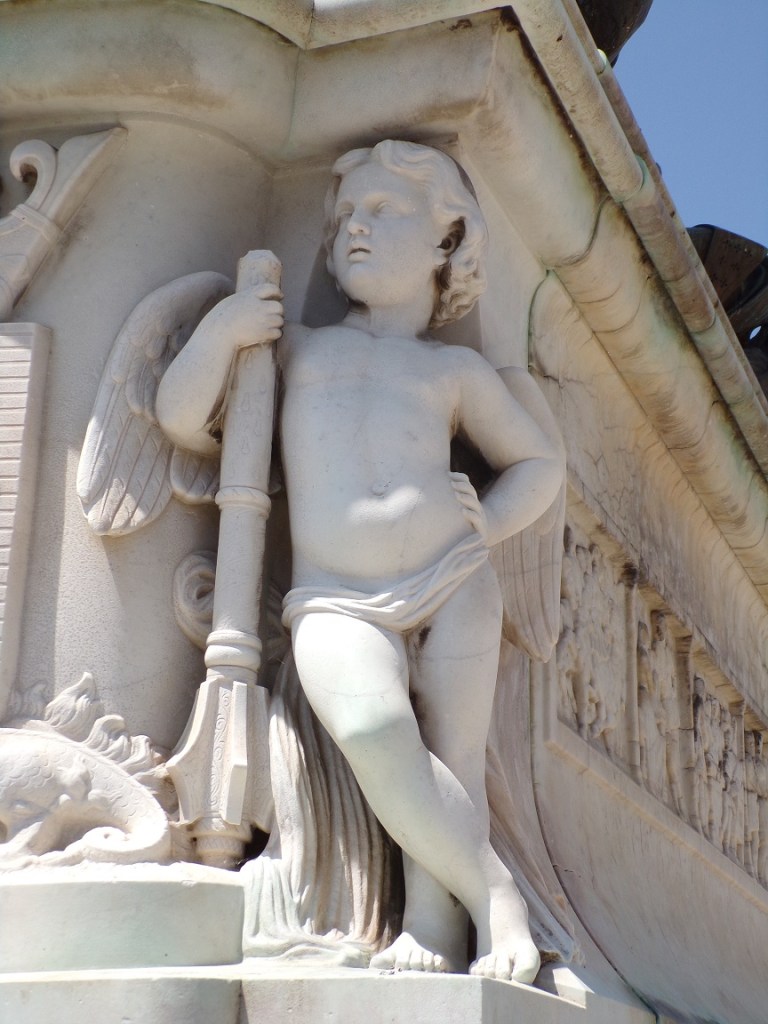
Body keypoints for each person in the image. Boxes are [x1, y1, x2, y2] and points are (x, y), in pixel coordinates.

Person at [157, 140, 562, 983]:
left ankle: (431, 919)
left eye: (382, 213)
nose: (354, 230)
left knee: (450, 757)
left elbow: (540, 464)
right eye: (345, 217)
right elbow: (184, 417)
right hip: (334, 596)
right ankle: (498, 897)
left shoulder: (453, 369)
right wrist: (227, 332)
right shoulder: (297, 347)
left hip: (453, 579)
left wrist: (486, 522)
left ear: (447, 241)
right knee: (380, 731)